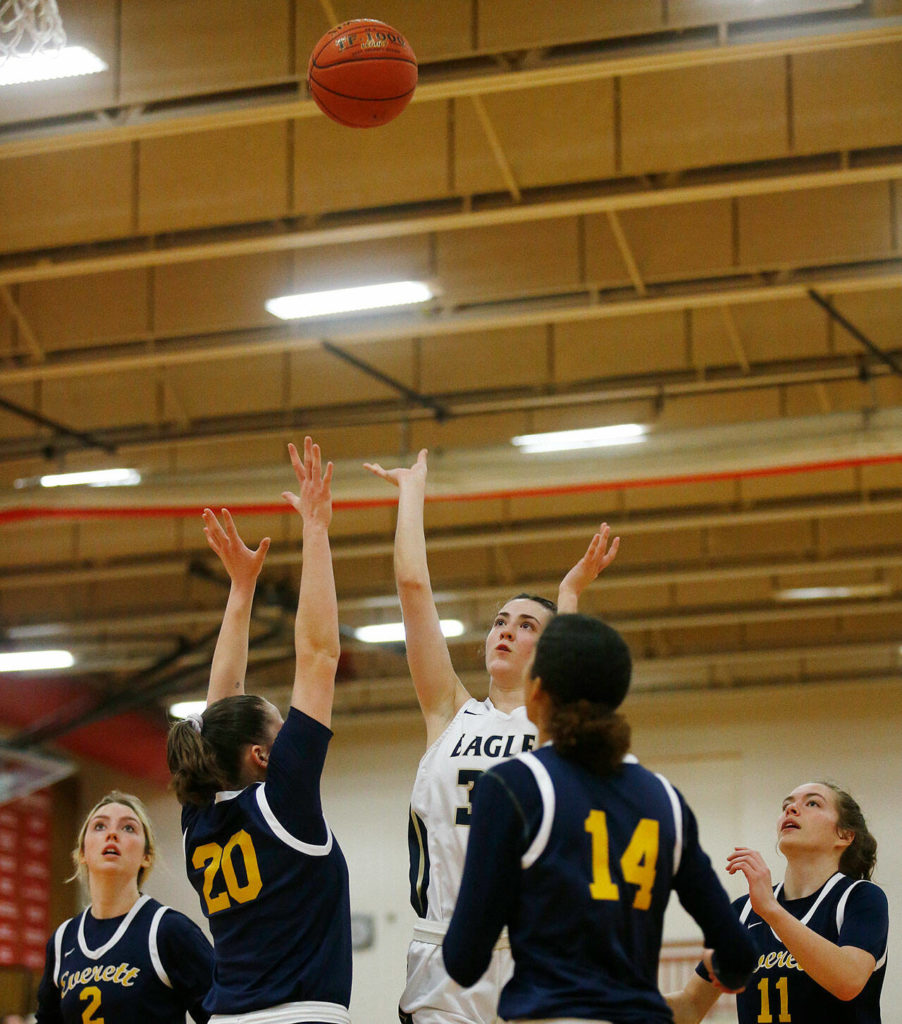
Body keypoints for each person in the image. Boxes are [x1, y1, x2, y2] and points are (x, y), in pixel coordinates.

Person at [365, 449, 620, 1024]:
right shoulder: (448, 711)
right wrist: (411, 493)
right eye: (500, 621)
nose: (505, 631)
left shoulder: (556, 724)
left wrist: (571, 594)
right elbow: (412, 587)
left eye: (526, 624)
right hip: (445, 956)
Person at [442, 613, 757, 1023]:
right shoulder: (665, 800)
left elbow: (464, 960)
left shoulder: (512, 786)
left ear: (536, 691)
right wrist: (727, 968)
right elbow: (739, 955)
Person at [166, 437, 352, 1024]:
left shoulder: (203, 822)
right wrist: (316, 530)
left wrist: (242, 589)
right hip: (300, 1016)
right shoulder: (284, 805)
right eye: (280, 722)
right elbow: (318, 654)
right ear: (264, 755)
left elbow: (219, 709)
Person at [666, 780, 888, 1024]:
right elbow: (691, 1006)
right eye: (786, 805)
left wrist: (771, 909)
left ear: (844, 835)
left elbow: (848, 981)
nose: (790, 810)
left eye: (812, 803)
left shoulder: (860, 897)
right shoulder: (744, 911)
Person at [35, 790, 212, 1024]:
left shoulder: (169, 931)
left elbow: (222, 1014)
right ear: (82, 853)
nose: (111, 834)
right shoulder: (62, 941)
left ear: (146, 856)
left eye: (128, 828)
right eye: (99, 826)